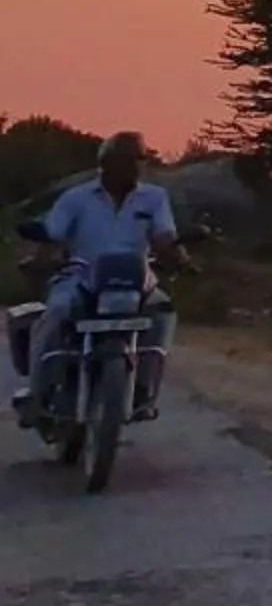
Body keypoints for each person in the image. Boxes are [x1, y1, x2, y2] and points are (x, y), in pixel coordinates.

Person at [15, 132, 179, 424]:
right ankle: (37, 395)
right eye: (129, 159)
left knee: (162, 311)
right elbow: (53, 234)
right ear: (106, 163)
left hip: (136, 279)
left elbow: (164, 235)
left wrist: (179, 257)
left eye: (141, 159)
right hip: (80, 276)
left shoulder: (155, 197)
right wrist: (39, 262)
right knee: (57, 312)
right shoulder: (76, 198)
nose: (137, 165)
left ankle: (144, 390)